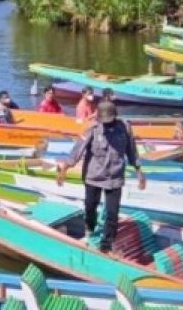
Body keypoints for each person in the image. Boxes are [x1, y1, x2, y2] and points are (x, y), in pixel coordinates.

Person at [56, 101, 146, 253]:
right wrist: (64, 169)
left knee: (112, 212)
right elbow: (77, 150)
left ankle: (106, 244)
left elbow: (132, 150)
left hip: (115, 177)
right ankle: (90, 227)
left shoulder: (125, 128)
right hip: (94, 176)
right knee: (90, 206)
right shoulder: (92, 129)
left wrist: (139, 171)